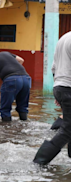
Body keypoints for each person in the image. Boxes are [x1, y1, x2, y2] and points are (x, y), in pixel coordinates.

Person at [33, 31, 71, 165]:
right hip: (68, 87)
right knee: (68, 129)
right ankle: (38, 163)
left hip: (61, 86)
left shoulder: (64, 37)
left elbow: (54, 67)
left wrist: (58, 91)